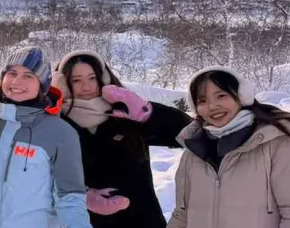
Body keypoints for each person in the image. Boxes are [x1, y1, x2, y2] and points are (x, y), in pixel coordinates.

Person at [168, 67, 290, 228]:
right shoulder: (193, 152)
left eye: (221, 95)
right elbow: (182, 215)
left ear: (242, 97)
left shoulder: (276, 144)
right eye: (202, 100)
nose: (212, 106)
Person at [52, 50, 192, 228]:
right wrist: (80, 195)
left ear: (103, 78)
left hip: (143, 222)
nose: (86, 87)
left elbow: (189, 135)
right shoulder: (55, 124)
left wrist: (149, 113)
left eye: (92, 78)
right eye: (76, 80)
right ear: (63, 83)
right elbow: (36, 175)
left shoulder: (127, 113)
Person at [0, 46, 90, 228]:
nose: (17, 81)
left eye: (29, 76)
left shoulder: (60, 133)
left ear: (42, 85)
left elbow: (70, 199)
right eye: (12, 73)